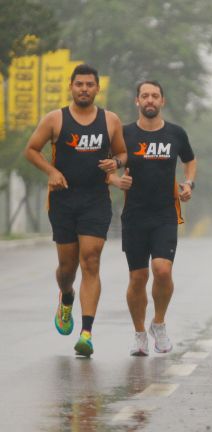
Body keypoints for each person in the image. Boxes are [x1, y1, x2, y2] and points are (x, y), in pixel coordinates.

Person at [24, 64, 127, 357]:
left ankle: (87, 333)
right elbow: (31, 149)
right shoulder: (55, 119)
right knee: (67, 268)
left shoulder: (110, 121)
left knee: (91, 260)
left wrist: (116, 164)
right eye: (79, 84)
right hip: (63, 200)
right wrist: (51, 171)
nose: (84, 89)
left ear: (97, 88)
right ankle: (66, 297)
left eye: (89, 85)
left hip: (96, 199)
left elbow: (122, 152)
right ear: (71, 86)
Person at [110, 81, 197, 356]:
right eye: (145, 95)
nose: (150, 100)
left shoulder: (175, 133)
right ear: (137, 101)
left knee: (162, 271)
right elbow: (106, 165)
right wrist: (115, 180)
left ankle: (158, 323)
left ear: (163, 101)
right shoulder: (124, 134)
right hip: (134, 215)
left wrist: (188, 183)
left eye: (155, 96)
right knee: (138, 277)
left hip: (165, 214)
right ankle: (139, 334)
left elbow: (190, 160)